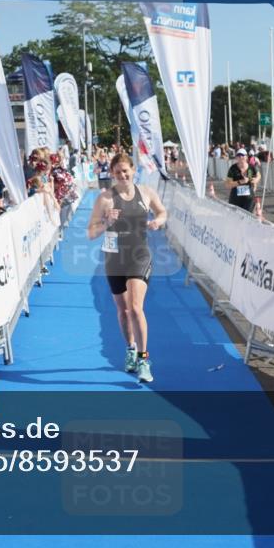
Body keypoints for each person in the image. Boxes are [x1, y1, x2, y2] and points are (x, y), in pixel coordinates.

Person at [86, 153, 168, 383]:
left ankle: (144, 359)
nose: (122, 175)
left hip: (139, 255)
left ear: (133, 170)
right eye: (118, 172)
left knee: (135, 308)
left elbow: (162, 212)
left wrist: (158, 222)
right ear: (112, 174)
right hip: (114, 259)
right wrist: (106, 222)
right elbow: (91, 233)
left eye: (126, 171)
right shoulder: (105, 199)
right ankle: (130, 349)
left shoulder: (146, 193)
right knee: (122, 312)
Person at [225, 149, 260, 214]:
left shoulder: (251, 168)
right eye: (238, 155)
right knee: (235, 217)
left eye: (243, 155)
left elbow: (258, 175)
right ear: (236, 157)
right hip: (235, 198)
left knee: (248, 217)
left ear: (246, 157)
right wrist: (240, 182)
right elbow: (227, 184)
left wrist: (255, 180)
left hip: (249, 199)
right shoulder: (233, 168)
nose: (241, 157)